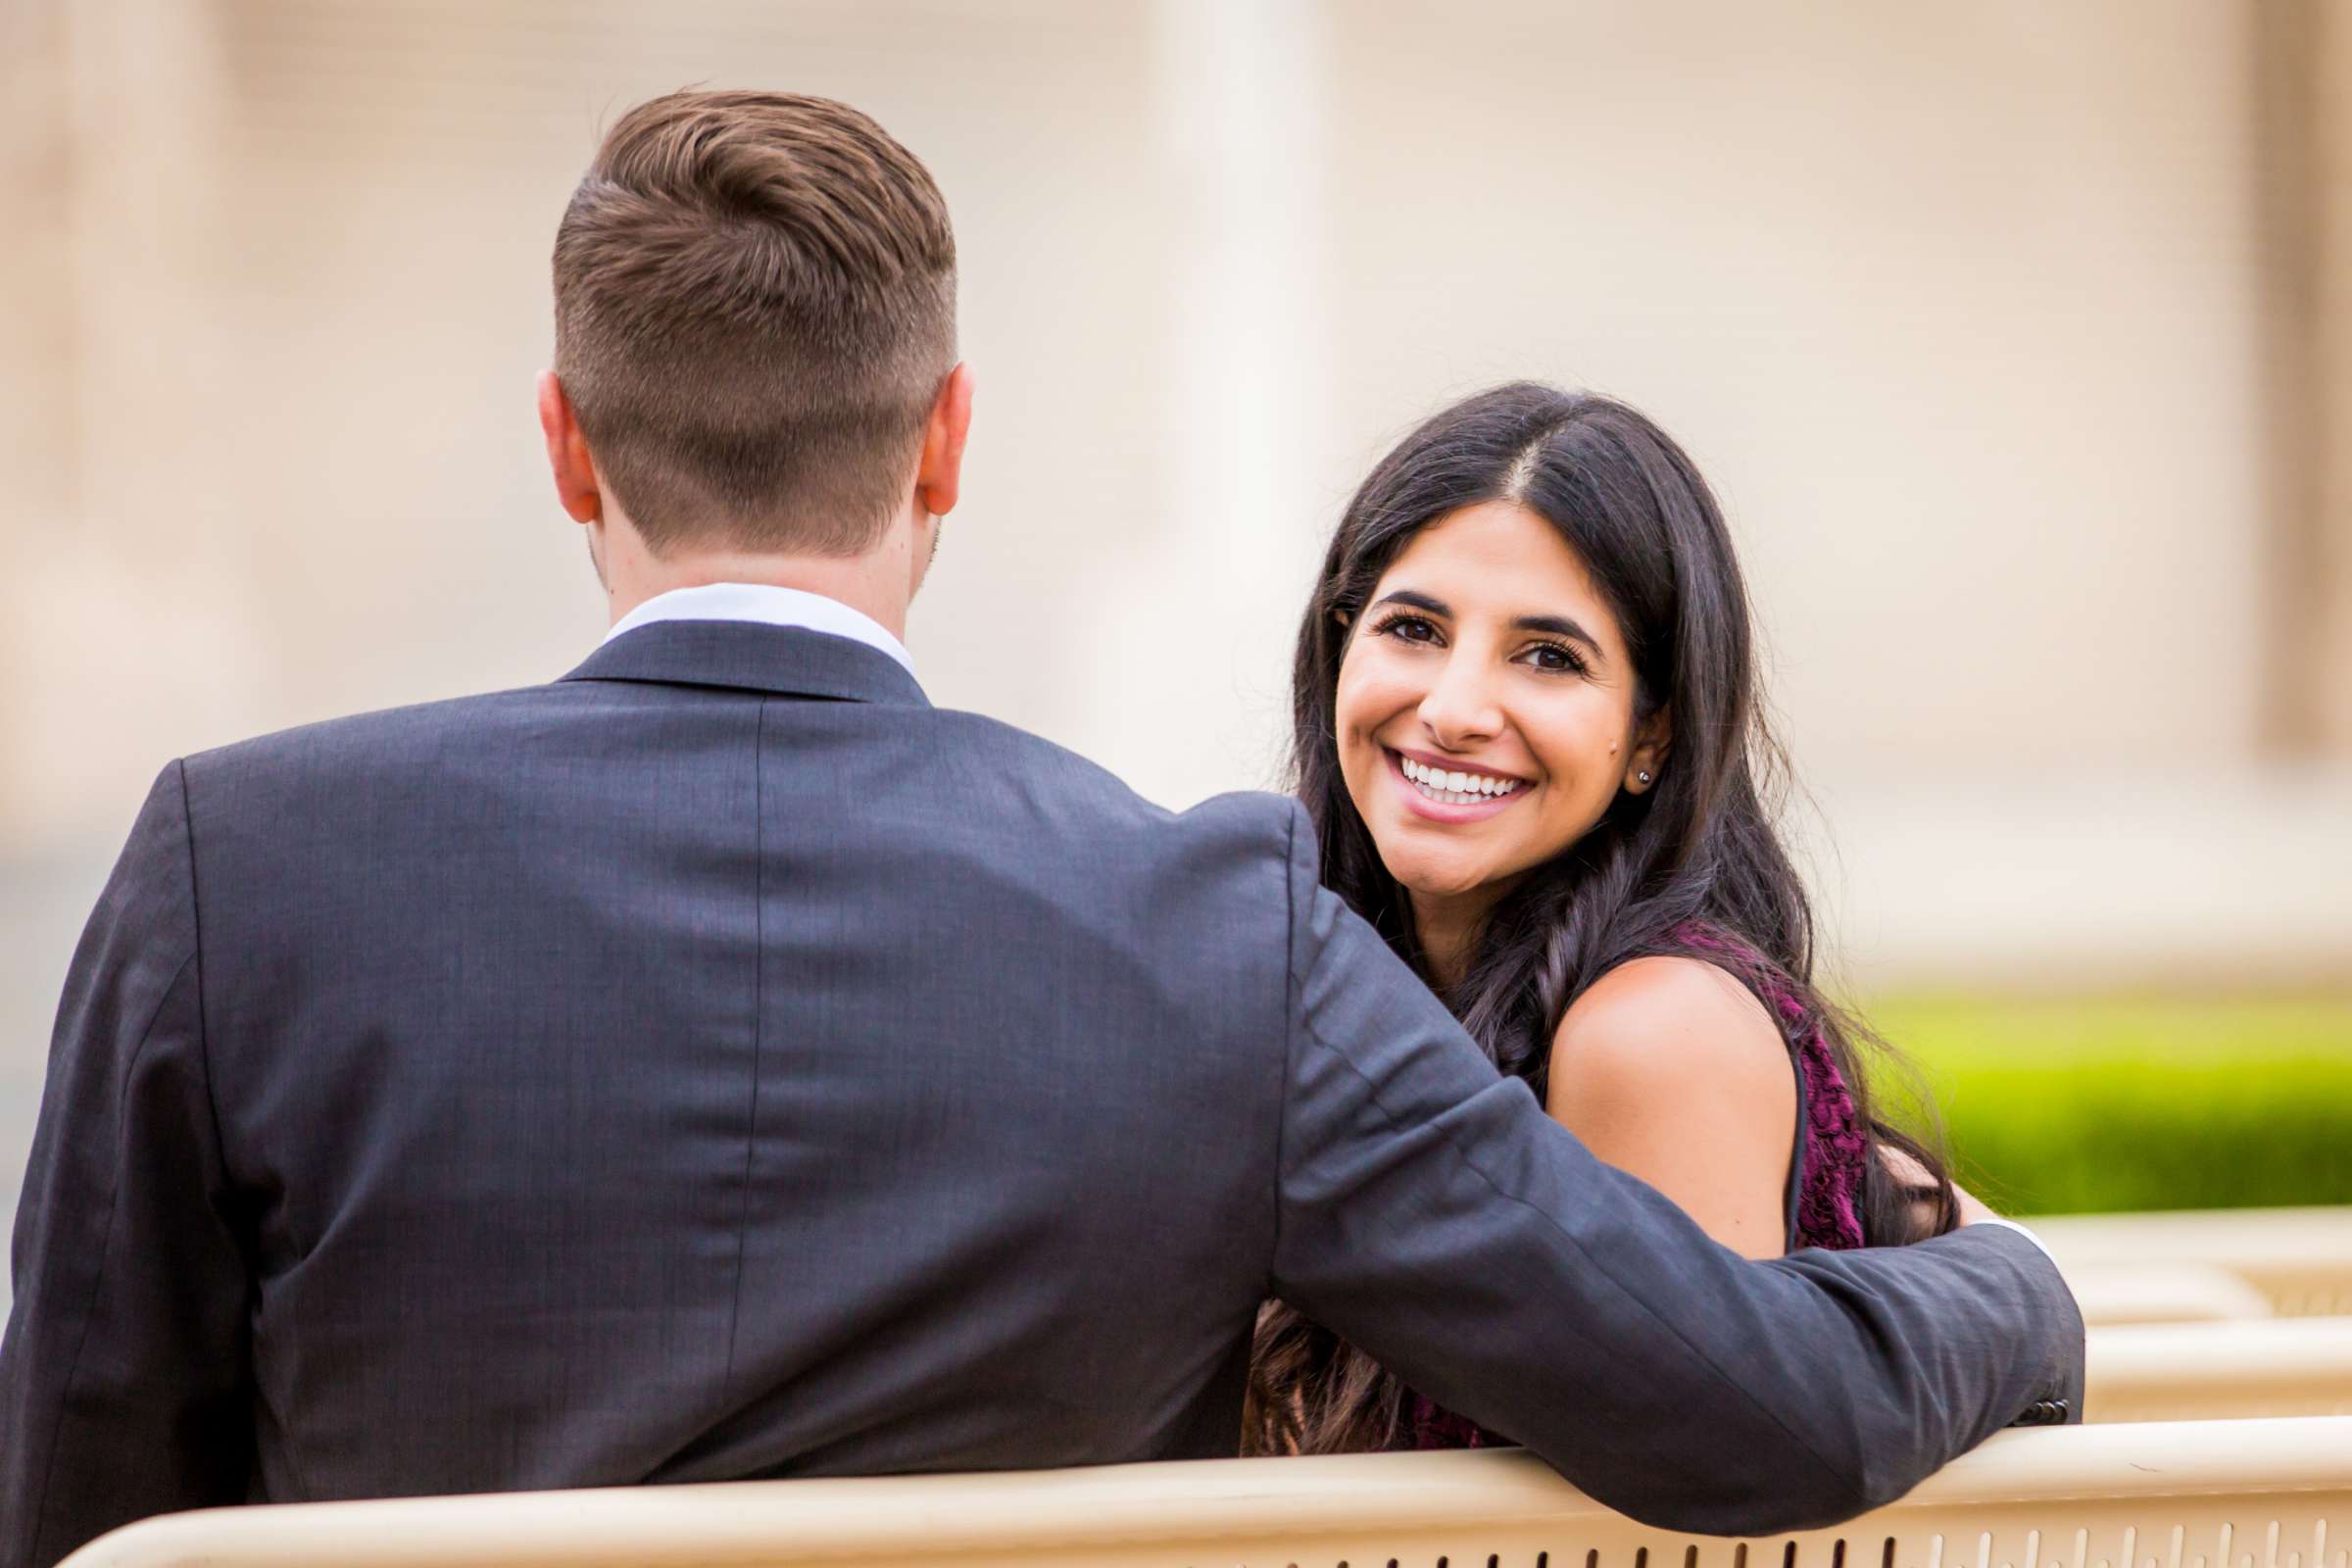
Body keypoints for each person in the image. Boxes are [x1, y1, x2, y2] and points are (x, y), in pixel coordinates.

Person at [0, 89, 2082, 1568]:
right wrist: (2016, 1301)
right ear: (948, 440)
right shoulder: (1212, 923)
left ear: (566, 441)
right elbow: (1740, 1403)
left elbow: (83, 1494)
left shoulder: (234, 863)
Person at [1248, 384, 1998, 1455]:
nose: (1456, 708)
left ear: (1651, 734)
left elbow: (1659, 1527)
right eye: (1413, 628)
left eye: (1548, 656)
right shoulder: (1313, 962)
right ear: (1339, 649)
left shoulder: (1654, 1032)